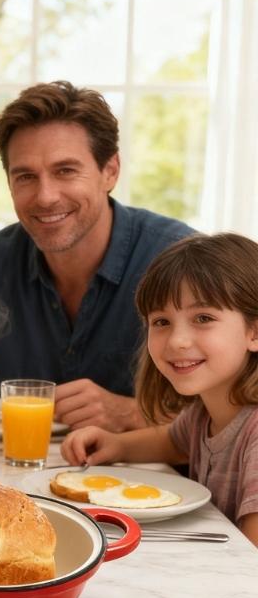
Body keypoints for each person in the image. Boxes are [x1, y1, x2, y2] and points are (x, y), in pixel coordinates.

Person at [0, 80, 195, 432]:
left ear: (110, 171)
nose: (45, 197)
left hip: (152, 469)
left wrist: (132, 414)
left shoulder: (181, 259)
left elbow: (234, 409)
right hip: (19, 465)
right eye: (26, 176)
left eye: (65, 171)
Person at [61, 233, 258, 546]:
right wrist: (117, 445)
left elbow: (251, 558)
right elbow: (172, 442)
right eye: (162, 322)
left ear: (254, 332)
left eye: (203, 318)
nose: (177, 341)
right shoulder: (204, 414)